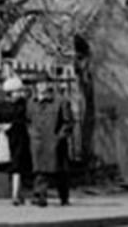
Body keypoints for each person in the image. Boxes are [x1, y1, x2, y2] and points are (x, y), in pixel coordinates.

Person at [29, 78, 75, 206]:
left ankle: (64, 197)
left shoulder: (61, 101)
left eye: (44, 83)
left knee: (60, 171)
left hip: (55, 142)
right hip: (38, 142)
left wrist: (60, 136)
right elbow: (28, 120)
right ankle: (40, 196)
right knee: (39, 171)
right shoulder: (32, 102)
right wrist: (32, 134)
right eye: (39, 83)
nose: (41, 86)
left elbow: (68, 121)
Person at [0, 74, 32, 205]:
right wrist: (0, 129)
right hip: (9, 138)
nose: (19, 94)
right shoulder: (11, 106)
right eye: (17, 91)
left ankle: (16, 194)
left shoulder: (19, 105)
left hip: (17, 137)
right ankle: (16, 194)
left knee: (17, 166)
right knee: (13, 166)